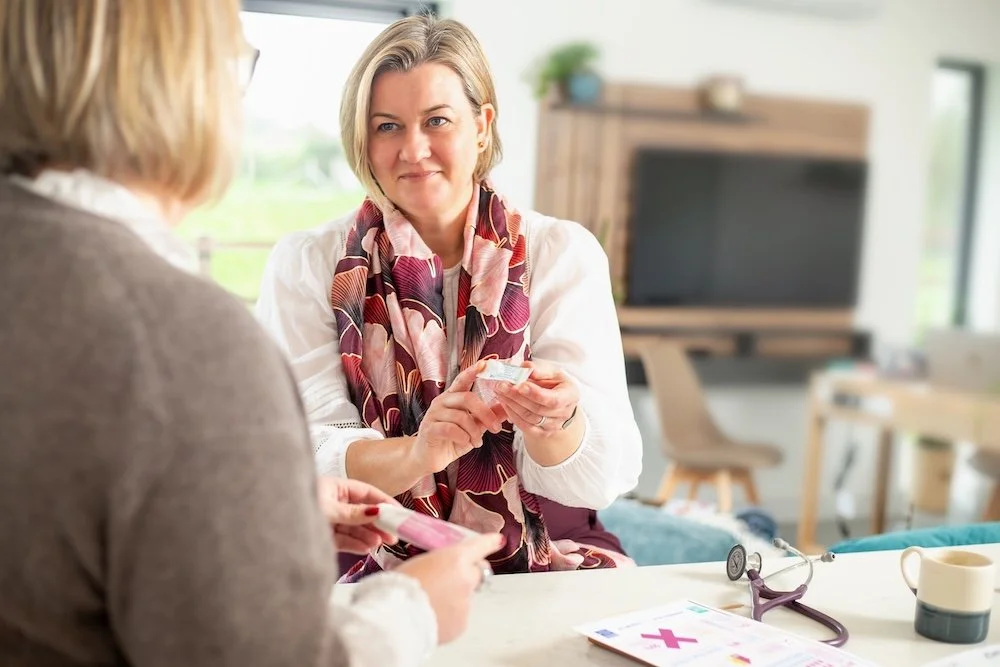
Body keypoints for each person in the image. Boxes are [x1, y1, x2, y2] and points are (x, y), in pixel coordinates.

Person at [0, 2, 504, 666]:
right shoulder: (187, 343)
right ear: (181, 86)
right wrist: (411, 611)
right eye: (236, 66)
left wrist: (259, 509)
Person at [255, 14, 643, 582]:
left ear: (482, 125)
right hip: (369, 549)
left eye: (436, 120)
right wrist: (420, 452)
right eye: (387, 126)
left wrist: (555, 422)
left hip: (547, 550)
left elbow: (607, 476)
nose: (413, 149)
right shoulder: (309, 264)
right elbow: (297, 454)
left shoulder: (561, 253)